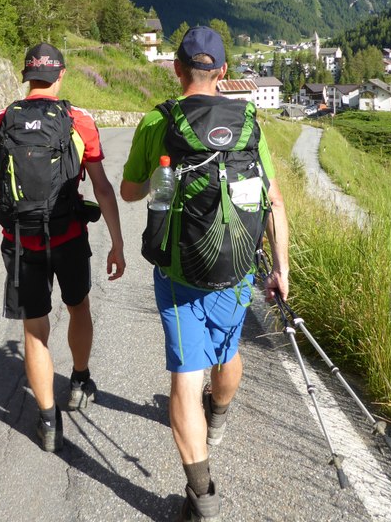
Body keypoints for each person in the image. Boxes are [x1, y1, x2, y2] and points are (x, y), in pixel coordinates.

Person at [120, 27, 290, 521]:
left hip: (178, 271)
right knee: (229, 351)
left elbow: (131, 192)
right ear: (224, 73)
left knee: (184, 378)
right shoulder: (250, 121)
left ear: (177, 69)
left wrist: (165, 180)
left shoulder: (159, 120)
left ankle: (204, 501)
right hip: (236, 267)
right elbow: (273, 201)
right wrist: (280, 271)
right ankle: (217, 419)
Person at [0, 42, 125, 453]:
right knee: (78, 305)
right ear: (61, 74)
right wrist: (116, 243)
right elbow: (100, 185)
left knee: (35, 327)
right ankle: (79, 380)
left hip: (21, 242)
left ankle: (48, 422)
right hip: (67, 236)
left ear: (26, 75)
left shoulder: (1, 121)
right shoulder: (78, 121)